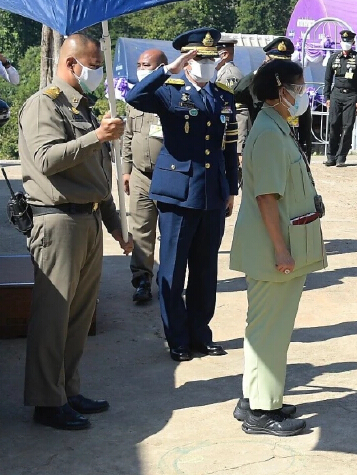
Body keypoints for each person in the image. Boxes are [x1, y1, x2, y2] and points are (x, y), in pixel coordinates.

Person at [18, 33, 133, 431]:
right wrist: (96, 137)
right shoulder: (43, 105)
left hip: (88, 218)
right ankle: (47, 401)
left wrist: (117, 225)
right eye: (95, 66)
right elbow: (47, 159)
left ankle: (67, 388)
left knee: (79, 317)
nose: (98, 74)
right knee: (53, 317)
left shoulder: (85, 108)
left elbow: (99, 176)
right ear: (71, 65)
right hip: (57, 219)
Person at [125, 29, 240, 362]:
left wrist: (231, 188)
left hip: (212, 194)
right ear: (187, 60)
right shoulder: (169, 92)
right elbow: (134, 97)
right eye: (199, 58)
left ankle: (200, 335)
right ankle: (176, 337)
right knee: (173, 269)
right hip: (177, 192)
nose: (206, 64)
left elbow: (228, 146)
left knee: (205, 271)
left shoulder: (223, 96)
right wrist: (168, 70)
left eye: (210, 58)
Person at [229, 58, 327, 436]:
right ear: (279, 90)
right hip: (275, 250)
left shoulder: (276, 125)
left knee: (264, 329)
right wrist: (281, 250)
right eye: (298, 88)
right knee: (271, 331)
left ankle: (255, 398)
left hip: (278, 245)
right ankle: (262, 411)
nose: (303, 94)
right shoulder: (270, 132)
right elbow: (267, 198)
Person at [121, 48, 169, 305]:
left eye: (147, 65)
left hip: (168, 177)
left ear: (162, 67)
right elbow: (128, 136)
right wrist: (126, 170)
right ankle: (141, 280)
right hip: (140, 176)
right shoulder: (134, 99)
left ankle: (169, 280)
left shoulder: (172, 96)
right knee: (140, 231)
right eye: (139, 64)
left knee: (170, 232)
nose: (141, 69)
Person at [234, 37, 313, 162]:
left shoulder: (295, 89)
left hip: (290, 149)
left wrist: (305, 157)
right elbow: (236, 94)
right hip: (263, 146)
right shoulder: (257, 86)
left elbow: (305, 128)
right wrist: (257, 73)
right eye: (275, 64)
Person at [323, 30, 357, 167]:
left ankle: (341, 157)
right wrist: (327, 97)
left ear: (353, 43)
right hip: (336, 94)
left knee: (347, 126)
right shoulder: (334, 57)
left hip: (351, 96)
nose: (346, 43)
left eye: (348, 41)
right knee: (333, 124)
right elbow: (327, 79)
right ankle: (331, 156)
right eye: (344, 41)